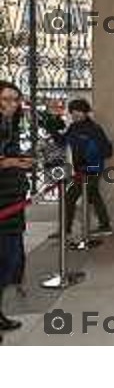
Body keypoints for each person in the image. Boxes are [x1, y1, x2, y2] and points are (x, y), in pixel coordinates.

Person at [52, 99, 113, 238]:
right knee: (93, 196)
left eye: (78, 111)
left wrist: (91, 156)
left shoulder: (94, 129)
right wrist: (53, 130)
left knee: (71, 196)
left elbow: (107, 151)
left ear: (85, 112)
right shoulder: (73, 127)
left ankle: (66, 230)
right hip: (80, 170)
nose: (75, 115)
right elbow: (62, 142)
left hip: (92, 169)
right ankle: (104, 225)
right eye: (73, 112)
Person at [0, 81, 32, 337]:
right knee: (5, 260)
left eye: (15, 99)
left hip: (12, 202)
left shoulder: (10, 125)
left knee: (11, 261)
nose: (12, 104)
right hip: (2, 205)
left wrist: (20, 161)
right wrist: (13, 162)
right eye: (6, 99)